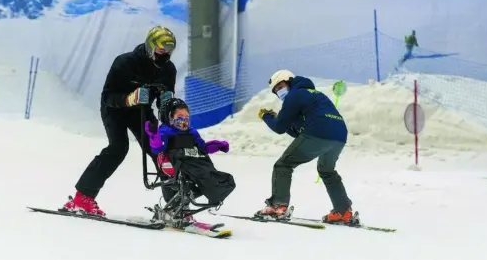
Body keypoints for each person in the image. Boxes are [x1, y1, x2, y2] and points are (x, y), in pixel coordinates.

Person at [62, 26, 178, 216]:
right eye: (160, 50)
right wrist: (129, 98)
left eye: (169, 51)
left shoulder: (168, 69)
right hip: (114, 110)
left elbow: (163, 103)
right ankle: (83, 197)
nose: (164, 54)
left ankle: (175, 204)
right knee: (118, 148)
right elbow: (108, 96)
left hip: (141, 111)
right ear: (150, 46)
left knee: (161, 150)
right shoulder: (125, 62)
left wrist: (167, 104)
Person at [256, 70, 356, 224]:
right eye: (275, 91)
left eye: (280, 86)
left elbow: (279, 128)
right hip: (339, 135)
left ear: (289, 81)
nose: (279, 91)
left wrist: (267, 117)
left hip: (318, 132)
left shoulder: (294, 95)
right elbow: (299, 133)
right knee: (327, 171)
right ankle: (344, 212)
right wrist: (279, 120)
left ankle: (278, 206)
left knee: (283, 165)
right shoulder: (314, 94)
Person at [145, 98, 235, 225]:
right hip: (176, 168)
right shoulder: (165, 131)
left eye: (187, 116)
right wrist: (154, 135)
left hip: (196, 166)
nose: (184, 119)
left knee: (224, 181)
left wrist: (217, 145)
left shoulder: (192, 133)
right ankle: (179, 208)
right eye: (180, 116)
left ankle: (186, 203)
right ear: (169, 117)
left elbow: (202, 148)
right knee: (196, 179)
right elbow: (157, 147)